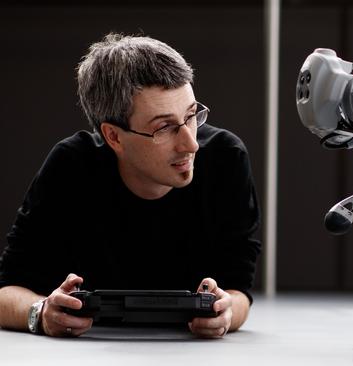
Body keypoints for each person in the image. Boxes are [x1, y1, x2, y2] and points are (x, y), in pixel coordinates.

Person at [0, 33, 261, 338]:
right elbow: (6, 289)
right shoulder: (71, 165)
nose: (191, 144)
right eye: (164, 127)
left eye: (191, 116)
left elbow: (239, 291)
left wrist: (227, 311)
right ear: (113, 137)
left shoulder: (225, 159)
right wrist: (41, 312)